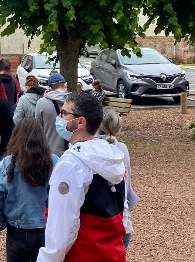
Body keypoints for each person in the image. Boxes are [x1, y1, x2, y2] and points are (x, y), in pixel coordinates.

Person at [37, 93, 126, 262]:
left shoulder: (71, 164)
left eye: (64, 113)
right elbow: (124, 214)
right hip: (112, 254)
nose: (59, 118)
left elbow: (62, 227)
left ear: (80, 122)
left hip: (82, 255)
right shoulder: (113, 157)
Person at [0, 118, 59, 262]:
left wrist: (4, 219)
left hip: (18, 229)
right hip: (47, 229)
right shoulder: (54, 161)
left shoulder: (8, 163)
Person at [97, 108, 139, 250]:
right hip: (122, 222)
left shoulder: (90, 150)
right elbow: (127, 185)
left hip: (100, 224)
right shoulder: (122, 148)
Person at [35, 73, 71, 157]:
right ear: (65, 85)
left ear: (49, 88)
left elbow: (38, 127)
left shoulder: (42, 103)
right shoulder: (74, 101)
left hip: (50, 151)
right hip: (72, 151)